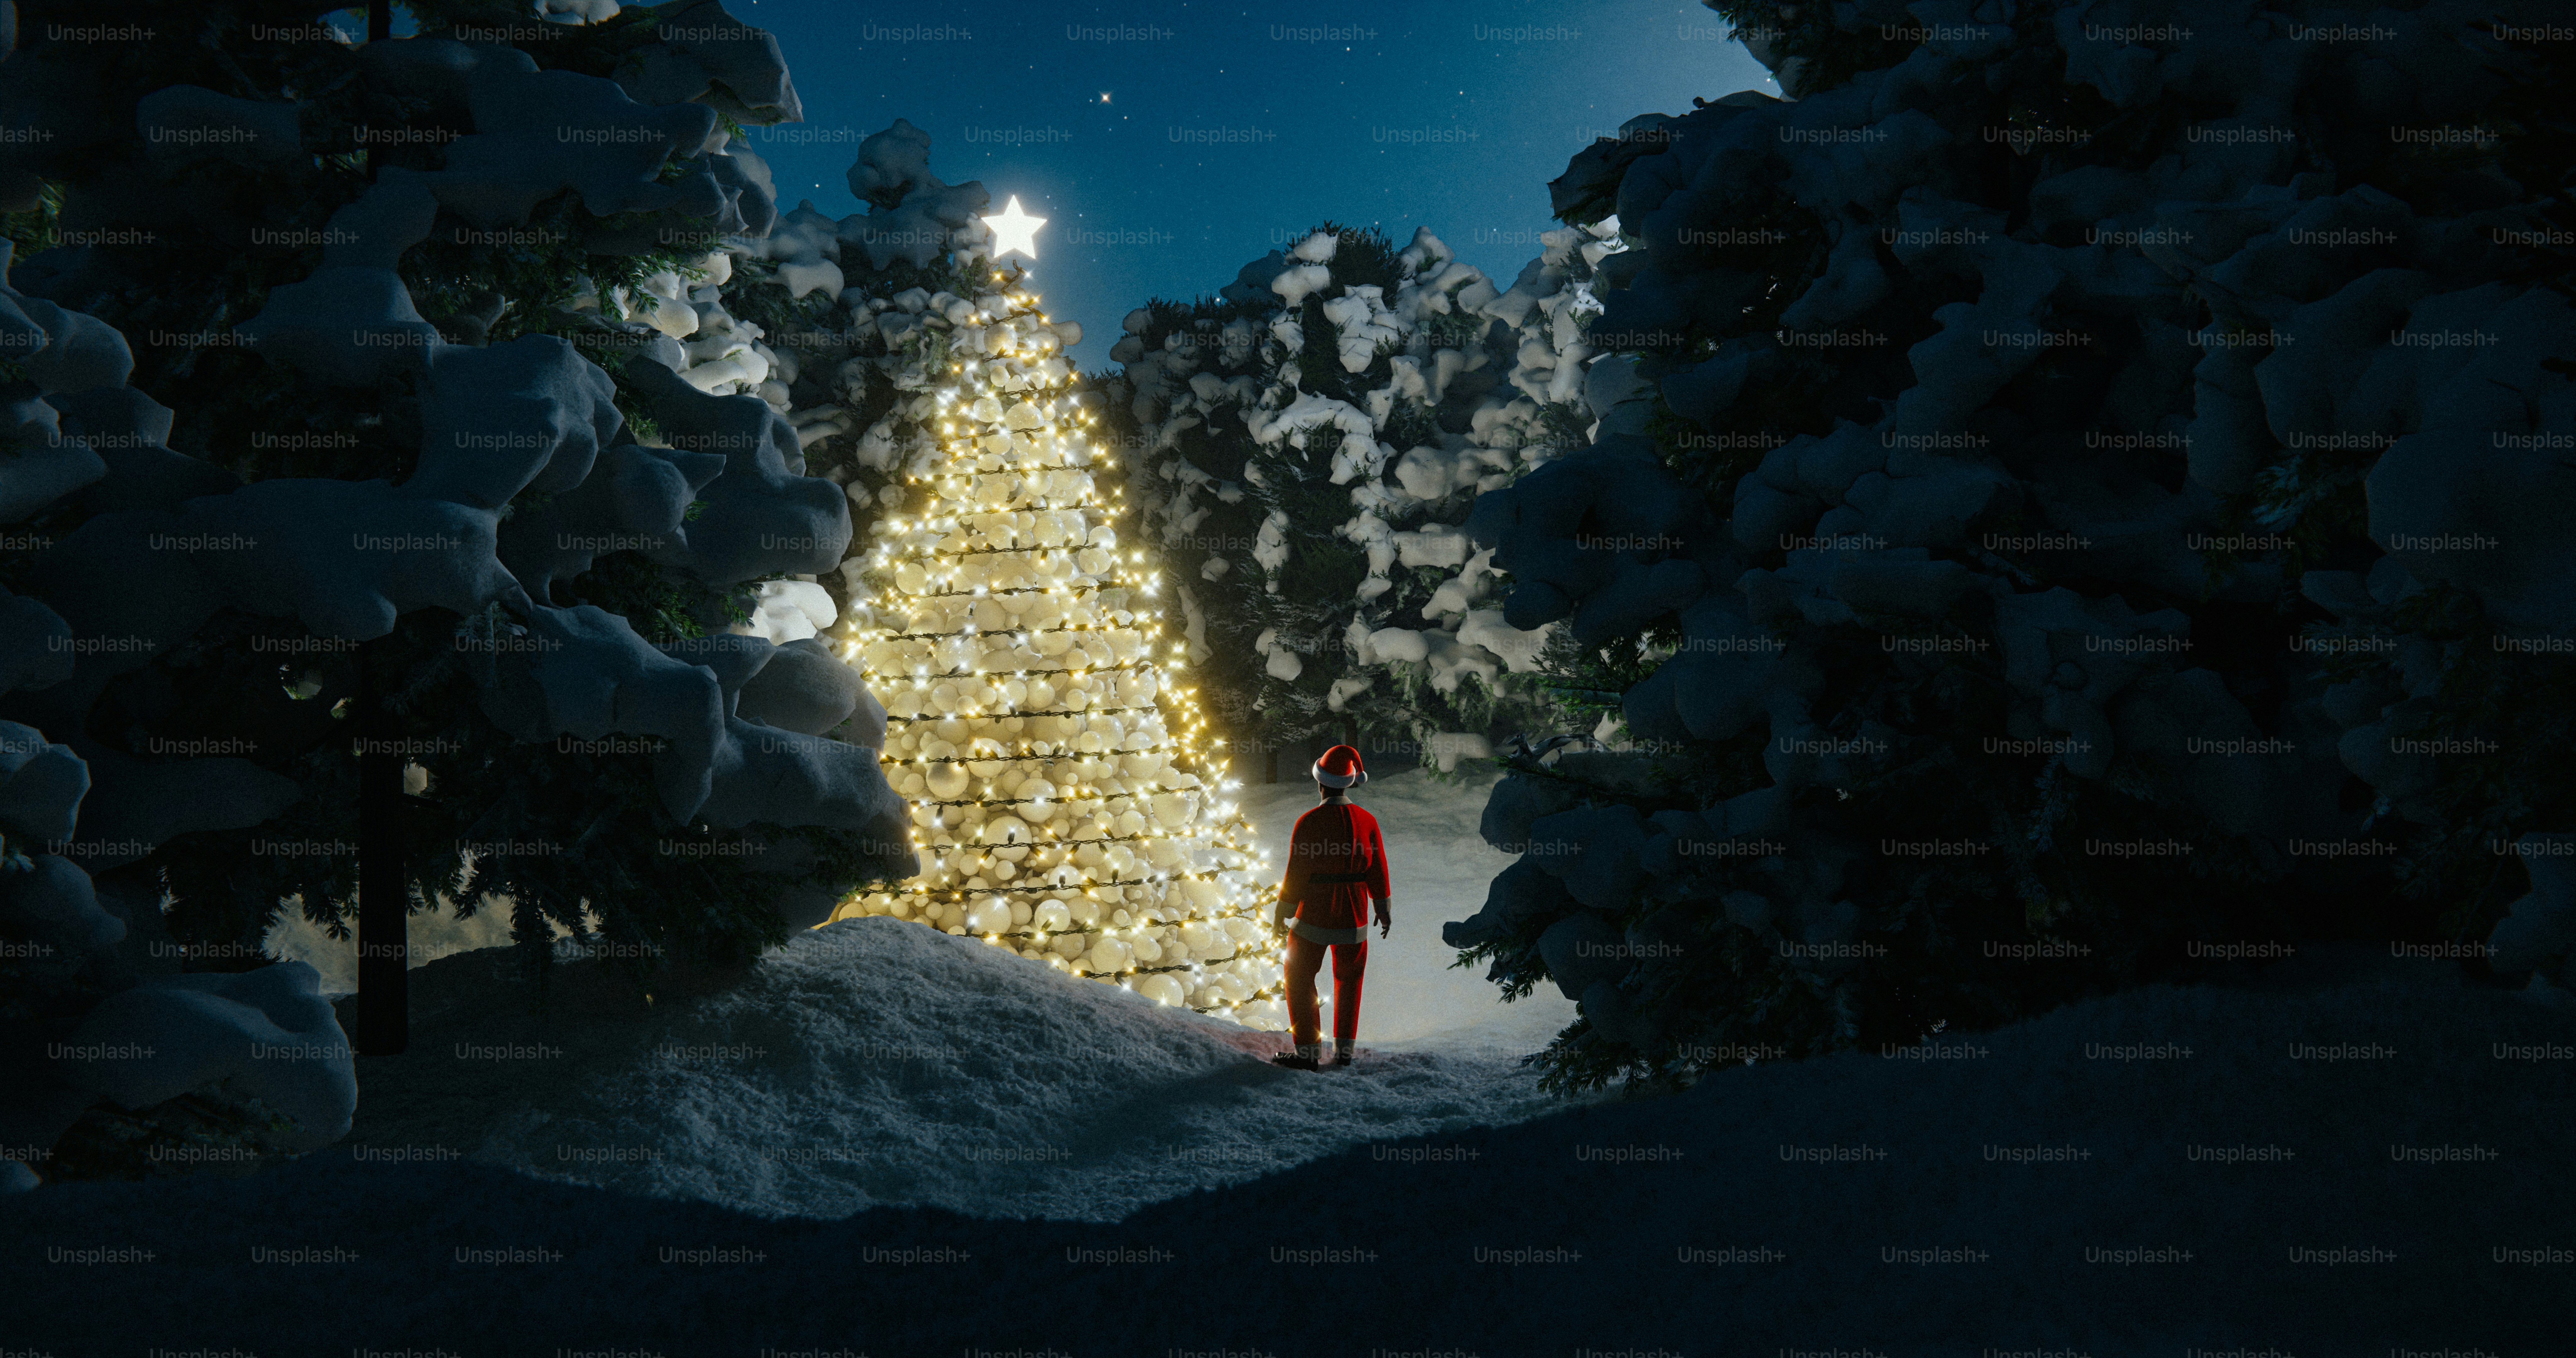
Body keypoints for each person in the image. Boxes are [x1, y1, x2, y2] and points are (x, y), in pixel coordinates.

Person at [1269, 744, 1391, 1071]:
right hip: (1355, 916)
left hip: (1314, 917)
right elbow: (1377, 868)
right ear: (1350, 782)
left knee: (1298, 976)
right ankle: (1344, 1051)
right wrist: (1382, 907)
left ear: (1320, 784)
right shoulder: (1367, 821)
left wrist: (1283, 911)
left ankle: (1307, 1052)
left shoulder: (1308, 821)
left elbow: (1297, 872)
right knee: (1349, 980)